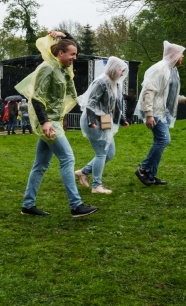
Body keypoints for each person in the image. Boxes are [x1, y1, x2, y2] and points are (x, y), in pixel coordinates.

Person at [15, 31, 97, 218]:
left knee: (40, 165)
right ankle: (76, 205)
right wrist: (45, 122)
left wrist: (64, 34)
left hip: (54, 121)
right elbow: (36, 97)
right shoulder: (48, 68)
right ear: (60, 53)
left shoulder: (60, 67)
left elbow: (73, 44)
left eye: (75, 54)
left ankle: (28, 205)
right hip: (50, 123)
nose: (75, 58)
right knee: (67, 159)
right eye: (72, 55)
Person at [134, 41, 186, 186]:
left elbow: (168, 94)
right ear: (173, 55)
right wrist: (149, 114)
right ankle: (143, 169)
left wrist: (184, 100)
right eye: (181, 54)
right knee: (163, 140)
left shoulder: (172, 70)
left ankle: (150, 175)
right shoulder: (160, 68)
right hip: (154, 110)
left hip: (162, 111)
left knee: (160, 141)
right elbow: (149, 91)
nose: (183, 56)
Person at [74, 57, 130, 195]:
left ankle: (83, 172)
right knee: (101, 153)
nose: (122, 74)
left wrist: (122, 120)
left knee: (109, 153)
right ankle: (97, 186)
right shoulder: (101, 82)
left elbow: (114, 105)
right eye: (120, 70)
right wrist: (91, 120)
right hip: (93, 121)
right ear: (112, 68)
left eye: (123, 71)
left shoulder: (115, 84)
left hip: (104, 121)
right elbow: (91, 102)